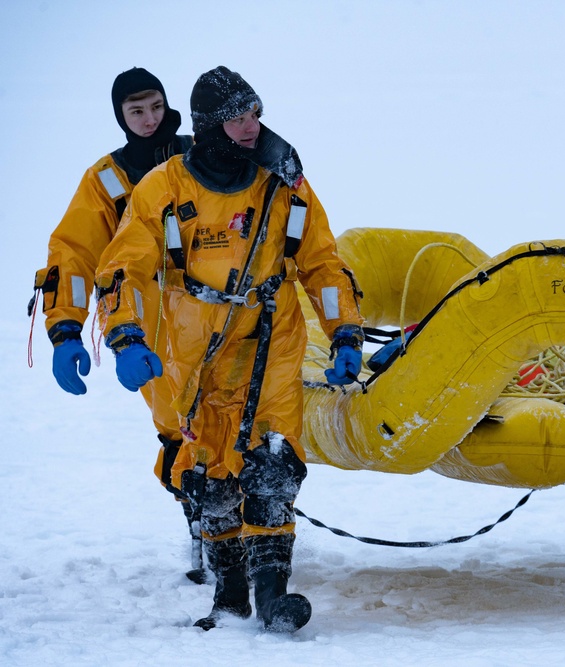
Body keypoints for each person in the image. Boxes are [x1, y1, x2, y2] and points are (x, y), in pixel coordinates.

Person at [94, 66, 365, 633]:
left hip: (271, 339)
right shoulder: (164, 187)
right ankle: (230, 597)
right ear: (208, 125)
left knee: (272, 462)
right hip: (190, 348)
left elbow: (321, 261)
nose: (251, 126)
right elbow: (127, 267)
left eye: (255, 114)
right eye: (238, 117)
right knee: (206, 469)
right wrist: (125, 336)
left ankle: (272, 595)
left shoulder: (284, 182)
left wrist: (344, 331)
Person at [28, 67, 205, 581]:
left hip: (220, 313)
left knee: (233, 427)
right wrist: (63, 331)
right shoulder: (106, 179)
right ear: (120, 116)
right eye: (135, 111)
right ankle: (204, 535)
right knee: (180, 432)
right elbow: (75, 256)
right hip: (144, 327)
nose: (149, 119)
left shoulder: (204, 154)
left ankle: (248, 538)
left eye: (155, 107)